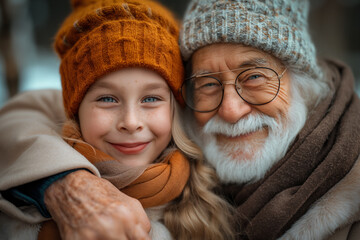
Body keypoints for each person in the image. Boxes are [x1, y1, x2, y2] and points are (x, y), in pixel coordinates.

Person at [1, 0, 360, 239]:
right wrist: (67, 184)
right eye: (207, 84)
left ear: (304, 86)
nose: (230, 111)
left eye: (254, 77)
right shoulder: (189, 139)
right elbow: (25, 111)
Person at [0, 0, 235, 239]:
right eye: (108, 99)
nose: (131, 122)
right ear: (75, 110)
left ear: (175, 107)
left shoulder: (214, 190)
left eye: (151, 99)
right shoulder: (25, 210)